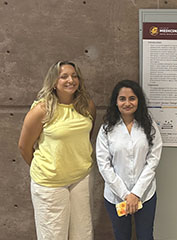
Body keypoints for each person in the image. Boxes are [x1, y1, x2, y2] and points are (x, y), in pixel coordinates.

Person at [18, 61, 96, 240]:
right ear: (54, 82)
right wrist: (48, 167)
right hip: (50, 183)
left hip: (80, 177)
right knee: (53, 236)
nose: (71, 80)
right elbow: (24, 146)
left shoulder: (86, 106)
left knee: (83, 234)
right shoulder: (41, 109)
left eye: (74, 76)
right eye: (64, 76)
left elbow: (85, 137)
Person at [96, 80, 162, 240]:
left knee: (146, 236)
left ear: (138, 101)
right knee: (122, 236)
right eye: (122, 99)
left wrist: (136, 193)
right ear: (116, 102)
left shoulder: (149, 126)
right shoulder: (106, 129)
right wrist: (126, 195)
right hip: (116, 197)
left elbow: (153, 161)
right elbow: (104, 166)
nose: (127, 103)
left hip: (145, 194)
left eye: (132, 98)